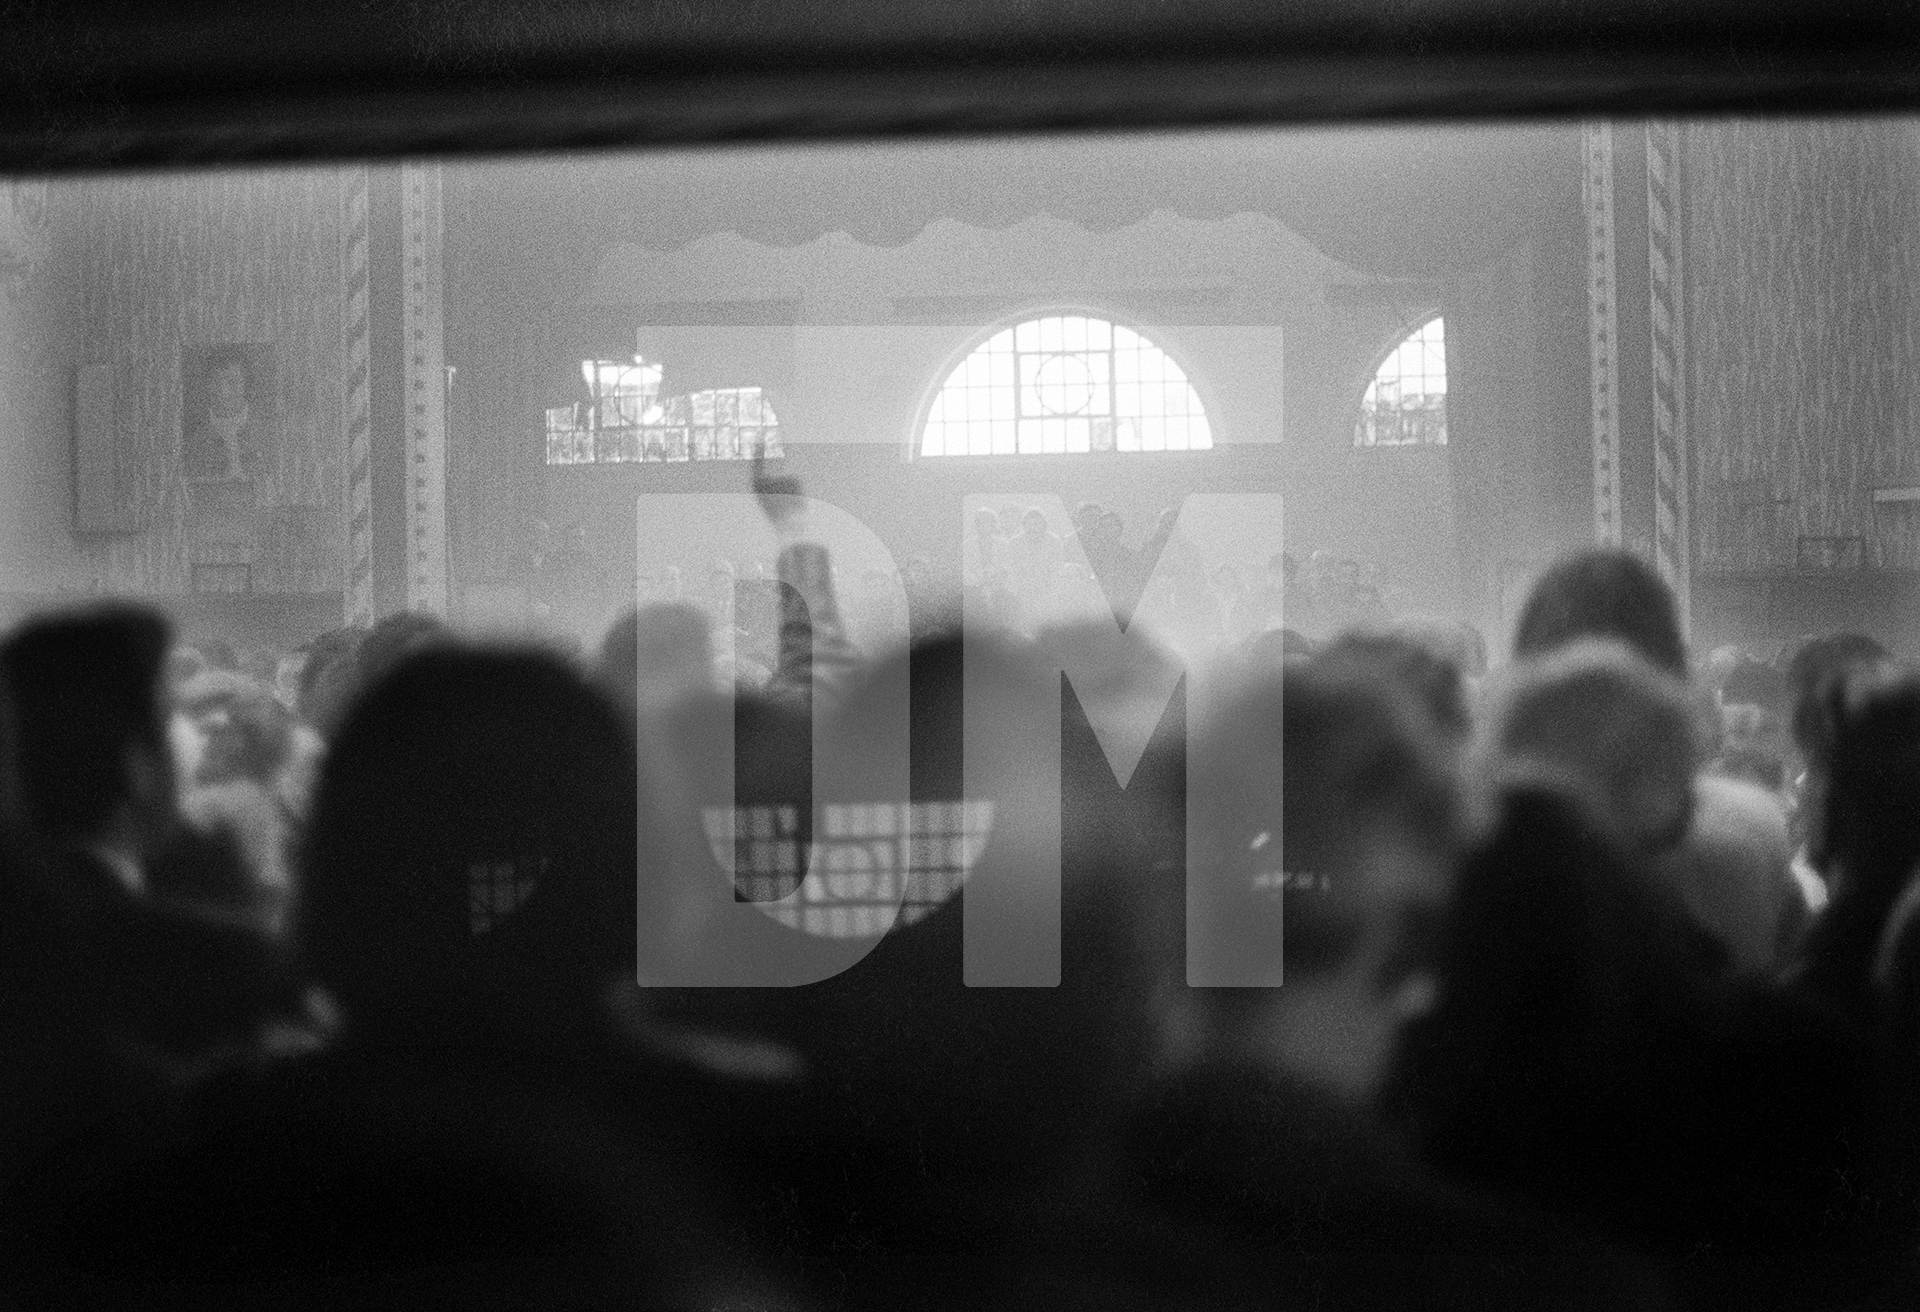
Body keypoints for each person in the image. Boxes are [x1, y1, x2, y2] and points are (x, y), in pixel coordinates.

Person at [182, 347, 262, 482]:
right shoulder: (194, 438)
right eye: (216, 382)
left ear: (246, 385)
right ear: (207, 386)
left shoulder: (267, 431)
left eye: (233, 382)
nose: (223, 392)